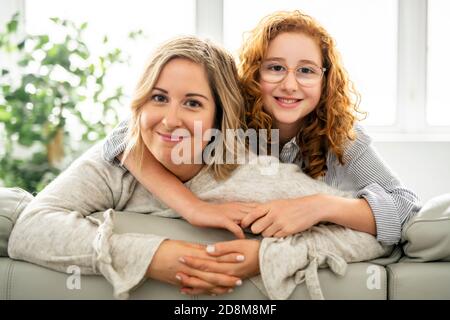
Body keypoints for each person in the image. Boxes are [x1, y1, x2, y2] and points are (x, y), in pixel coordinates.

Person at [103, 10, 421, 246]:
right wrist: (194, 209)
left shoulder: (342, 137)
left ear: (325, 80)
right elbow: (120, 137)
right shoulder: (227, 117)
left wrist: (317, 206)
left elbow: (406, 209)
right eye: (276, 68)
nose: (290, 84)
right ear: (255, 72)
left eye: (306, 70)